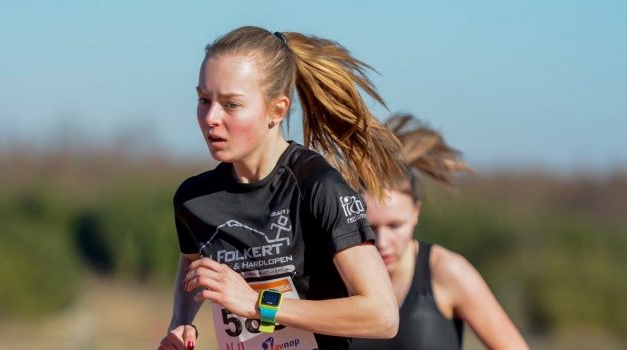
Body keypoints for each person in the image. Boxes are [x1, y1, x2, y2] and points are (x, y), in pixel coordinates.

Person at [158, 26, 407, 350]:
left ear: (277, 109)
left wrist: (258, 304)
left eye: (231, 104)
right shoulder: (195, 200)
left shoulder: (317, 186)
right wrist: (181, 323)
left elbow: (382, 316)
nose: (211, 118)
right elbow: (193, 266)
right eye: (204, 100)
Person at [350, 114, 529, 350]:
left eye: (395, 226)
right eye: (370, 226)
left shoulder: (448, 272)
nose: (382, 241)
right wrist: (282, 308)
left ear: (416, 212)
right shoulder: (334, 278)